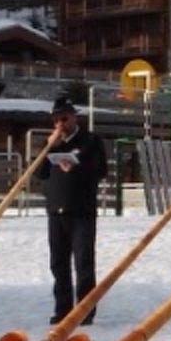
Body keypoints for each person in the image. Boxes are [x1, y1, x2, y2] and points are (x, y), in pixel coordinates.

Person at [42, 94, 108, 323]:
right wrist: (50, 147)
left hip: (81, 211)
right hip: (56, 210)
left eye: (65, 118)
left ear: (74, 118)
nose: (61, 124)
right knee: (58, 263)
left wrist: (77, 169)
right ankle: (62, 309)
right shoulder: (51, 142)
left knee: (83, 262)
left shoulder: (90, 140)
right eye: (57, 119)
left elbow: (101, 171)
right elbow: (40, 173)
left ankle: (85, 311)